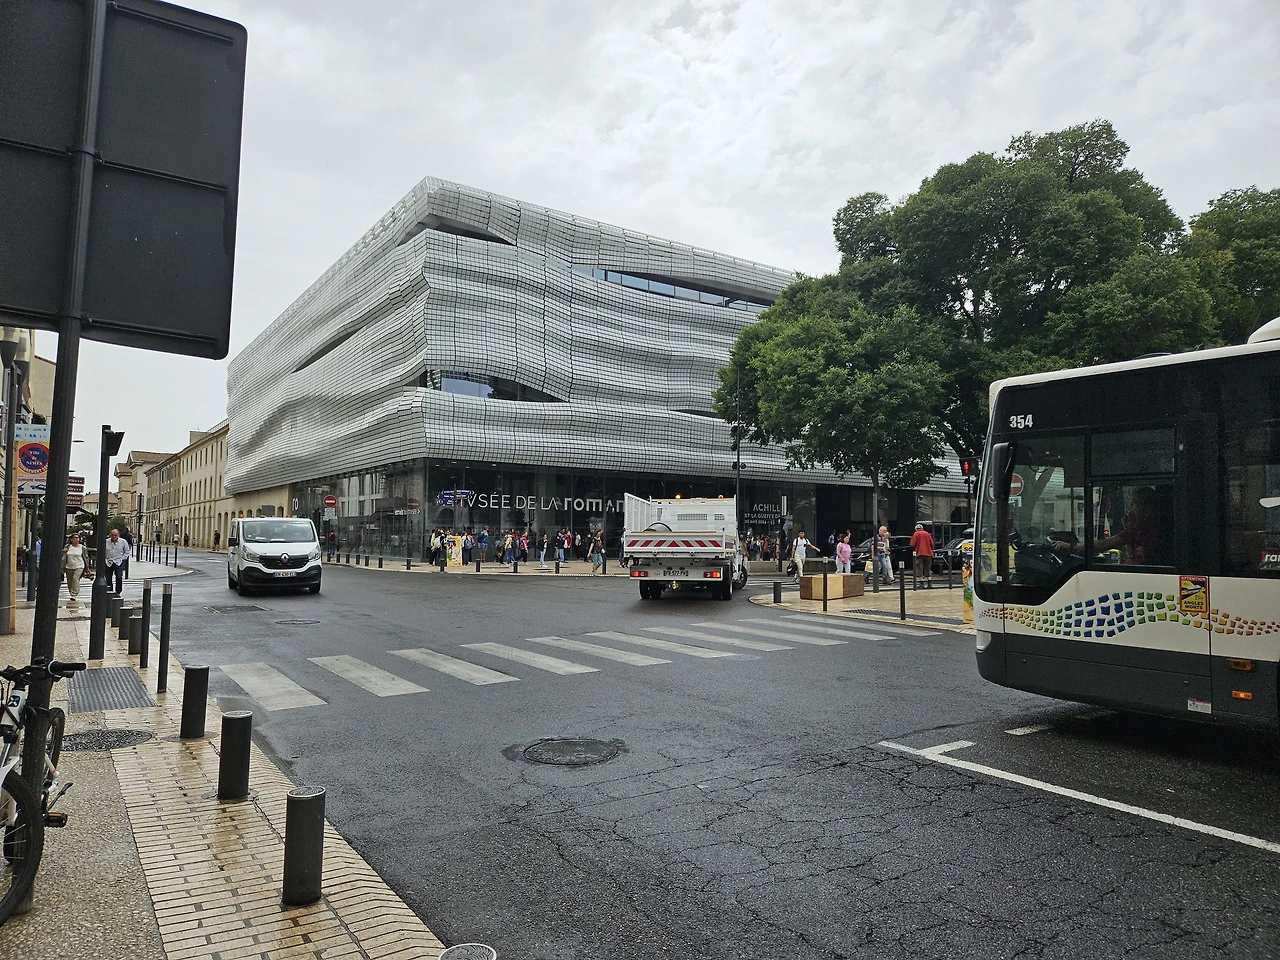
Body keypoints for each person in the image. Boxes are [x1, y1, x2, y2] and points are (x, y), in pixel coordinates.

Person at [103, 528, 130, 593]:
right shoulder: (106, 542)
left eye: (115, 535)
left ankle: (118, 591)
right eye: (112, 535)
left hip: (119, 562)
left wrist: (123, 558)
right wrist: (105, 559)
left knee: (119, 576)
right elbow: (102, 551)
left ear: (118, 535)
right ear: (110, 535)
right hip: (108, 562)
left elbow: (127, 551)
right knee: (108, 577)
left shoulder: (123, 542)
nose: (114, 537)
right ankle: (110, 591)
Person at [62, 533, 86, 603]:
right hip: (69, 566)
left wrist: (87, 567)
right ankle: (71, 592)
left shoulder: (82, 548)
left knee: (75, 578)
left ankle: (74, 594)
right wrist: (63, 552)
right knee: (69, 581)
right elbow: (64, 556)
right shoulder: (68, 547)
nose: (76, 539)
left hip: (79, 566)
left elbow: (86, 557)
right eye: (75, 538)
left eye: (78, 538)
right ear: (71, 539)